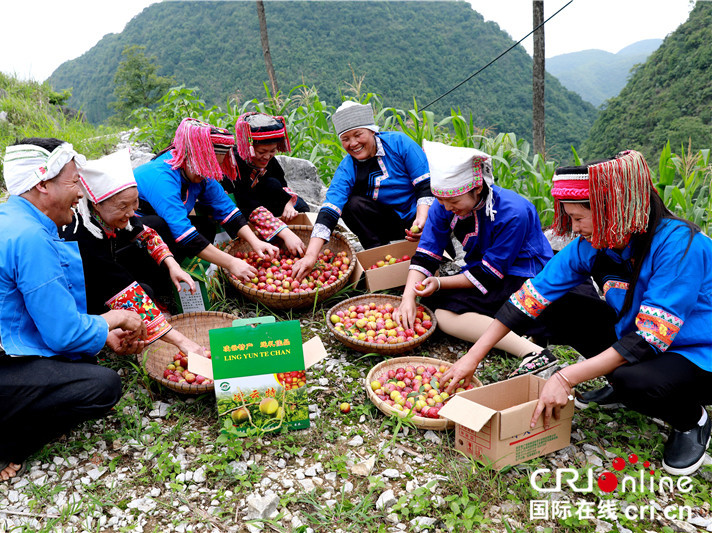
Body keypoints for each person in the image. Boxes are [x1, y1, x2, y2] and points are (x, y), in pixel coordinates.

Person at [443, 150, 712, 476]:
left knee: (634, 379)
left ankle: (691, 419)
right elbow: (530, 297)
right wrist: (472, 357)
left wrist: (565, 376)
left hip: (697, 353)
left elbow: (648, 338)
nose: (573, 227)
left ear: (614, 210)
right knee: (555, 307)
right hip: (638, 336)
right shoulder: (596, 244)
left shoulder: (679, 244)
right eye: (569, 217)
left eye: (580, 218)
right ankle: (620, 384)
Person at [0, 138, 146, 483]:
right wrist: (116, 318)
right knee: (102, 386)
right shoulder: (29, 236)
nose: (81, 192)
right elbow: (64, 334)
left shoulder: (11, 221)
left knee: (82, 361)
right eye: (73, 181)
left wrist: (99, 334)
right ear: (42, 184)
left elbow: (27, 314)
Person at [394, 141, 556, 373]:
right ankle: (523, 333)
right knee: (434, 306)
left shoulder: (513, 212)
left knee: (445, 308)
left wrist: (439, 283)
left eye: (454, 202)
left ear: (477, 188)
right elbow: (426, 254)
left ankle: (532, 352)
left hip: (523, 275)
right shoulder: (444, 205)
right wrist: (407, 298)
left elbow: (489, 274)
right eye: (441, 202)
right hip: (482, 270)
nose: (447, 208)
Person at [60, 149, 205, 354]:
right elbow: (120, 284)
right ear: (97, 205)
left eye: (135, 202)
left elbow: (147, 234)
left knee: (153, 223)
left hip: (104, 274)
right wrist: (183, 342)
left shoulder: (114, 215)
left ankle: (151, 317)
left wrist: (173, 265)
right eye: (122, 206)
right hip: (79, 298)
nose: (131, 212)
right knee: (140, 294)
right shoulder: (83, 235)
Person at [292, 101, 433, 280]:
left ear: (372, 130)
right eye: (345, 139)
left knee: (437, 245)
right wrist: (310, 257)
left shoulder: (399, 143)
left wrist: (421, 221)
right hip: (388, 221)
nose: (353, 143)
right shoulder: (347, 168)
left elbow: (424, 185)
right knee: (351, 204)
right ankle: (380, 257)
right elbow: (328, 211)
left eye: (358, 134)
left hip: (420, 217)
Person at [134, 118, 278, 282]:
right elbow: (182, 232)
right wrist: (231, 263)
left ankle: (187, 274)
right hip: (132, 238)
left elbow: (227, 210)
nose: (209, 173)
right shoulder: (162, 177)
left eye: (214, 167)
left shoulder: (201, 171)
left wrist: (255, 242)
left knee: (205, 226)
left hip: (167, 229)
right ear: (188, 156)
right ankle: (155, 281)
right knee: (158, 225)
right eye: (206, 166)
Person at [222, 111, 308, 256]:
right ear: (248, 148)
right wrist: (284, 232)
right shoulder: (233, 164)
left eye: (272, 151)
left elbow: (280, 183)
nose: (267, 156)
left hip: (266, 203)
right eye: (262, 151)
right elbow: (246, 201)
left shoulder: (269, 160)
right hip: (244, 209)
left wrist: (288, 203)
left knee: (299, 206)